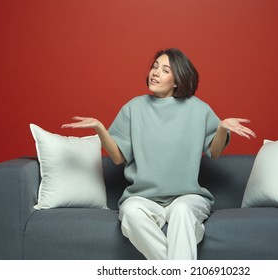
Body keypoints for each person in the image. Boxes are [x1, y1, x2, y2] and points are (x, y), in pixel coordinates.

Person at [62, 48, 256, 260]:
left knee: (182, 211)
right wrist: (100, 128)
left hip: (187, 196)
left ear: (176, 80)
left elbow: (215, 152)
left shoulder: (198, 109)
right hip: (143, 197)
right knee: (130, 212)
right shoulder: (133, 108)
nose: (155, 73)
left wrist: (222, 128)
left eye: (165, 70)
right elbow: (118, 157)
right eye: (155, 67)